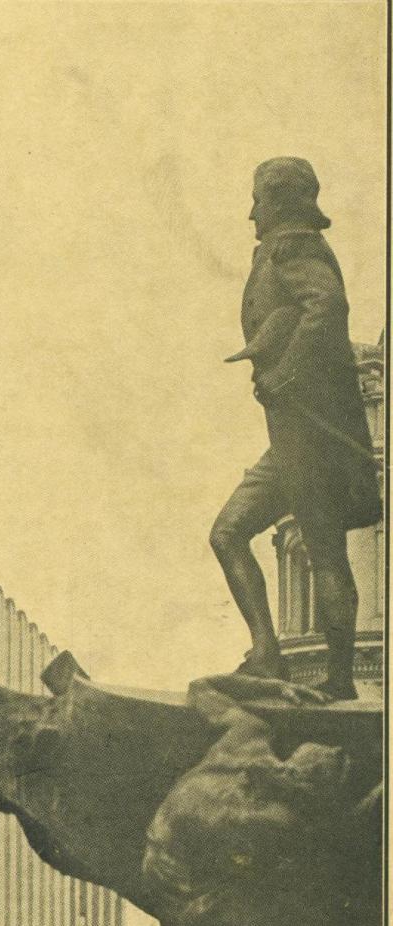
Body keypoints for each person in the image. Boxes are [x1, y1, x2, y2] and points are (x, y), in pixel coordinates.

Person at [210, 157, 381, 700]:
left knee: (325, 551)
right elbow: (289, 317)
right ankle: (267, 652)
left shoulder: (296, 246)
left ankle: (339, 679)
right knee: (228, 532)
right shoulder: (278, 251)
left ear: (279, 201)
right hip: (287, 438)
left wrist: (284, 371)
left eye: (257, 199)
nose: (251, 211)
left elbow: (327, 306)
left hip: (310, 438)